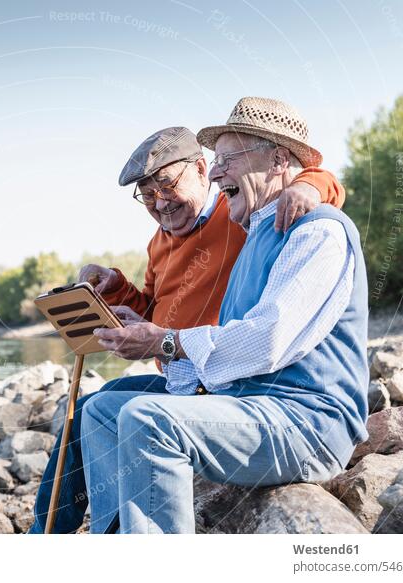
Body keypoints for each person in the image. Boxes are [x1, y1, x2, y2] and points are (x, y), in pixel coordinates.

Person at [29, 121, 346, 533]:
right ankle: (53, 532)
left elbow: (306, 182)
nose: (159, 202)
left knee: (126, 413)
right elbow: (157, 311)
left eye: (165, 184)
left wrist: (313, 185)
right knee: (92, 406)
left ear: (201, 169)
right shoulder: (158, 243)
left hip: (223, 377)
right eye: (146, 193)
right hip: (184, 377)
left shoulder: (239, 214)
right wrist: (117, 290)